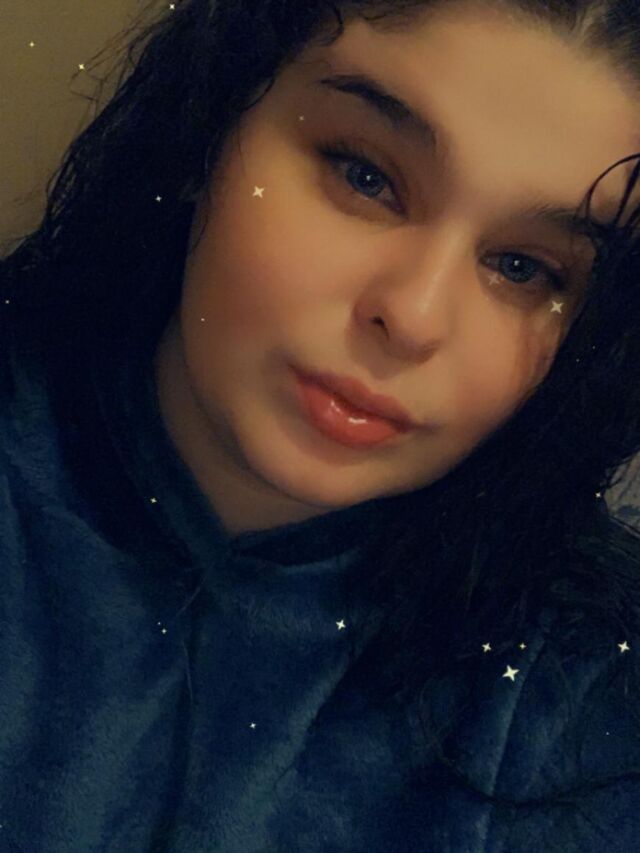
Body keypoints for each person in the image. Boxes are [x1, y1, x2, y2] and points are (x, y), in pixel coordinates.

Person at [1, 0, 640, 849]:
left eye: (523, 267)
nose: (413, 316)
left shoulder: (584, 692)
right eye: (364, 175)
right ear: (212, 117)